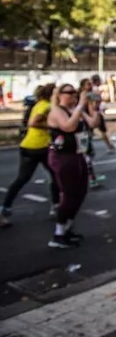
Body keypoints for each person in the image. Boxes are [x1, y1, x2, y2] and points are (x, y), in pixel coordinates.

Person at [47, 83, 100, 248]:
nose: (73, 95)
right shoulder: (57, 111)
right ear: (60, 95)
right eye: (69, 93)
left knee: (80, 192)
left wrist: (94, 107)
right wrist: (80, 106)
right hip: (63, 157)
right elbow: (68, 126)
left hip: (78, 154)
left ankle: (68, 228)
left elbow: (93, 123)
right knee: (69, 194)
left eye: (75, 92)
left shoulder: (76, 110)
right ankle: (58, 234)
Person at [2, 84, 60, 221]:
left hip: (28, 145)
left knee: (22, 179)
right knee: (56, 175)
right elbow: (33, 123)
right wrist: (50, 126)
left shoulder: (39, 104)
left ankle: (4, 208)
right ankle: (56, 206)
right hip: (41, 146)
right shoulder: (47, 106)